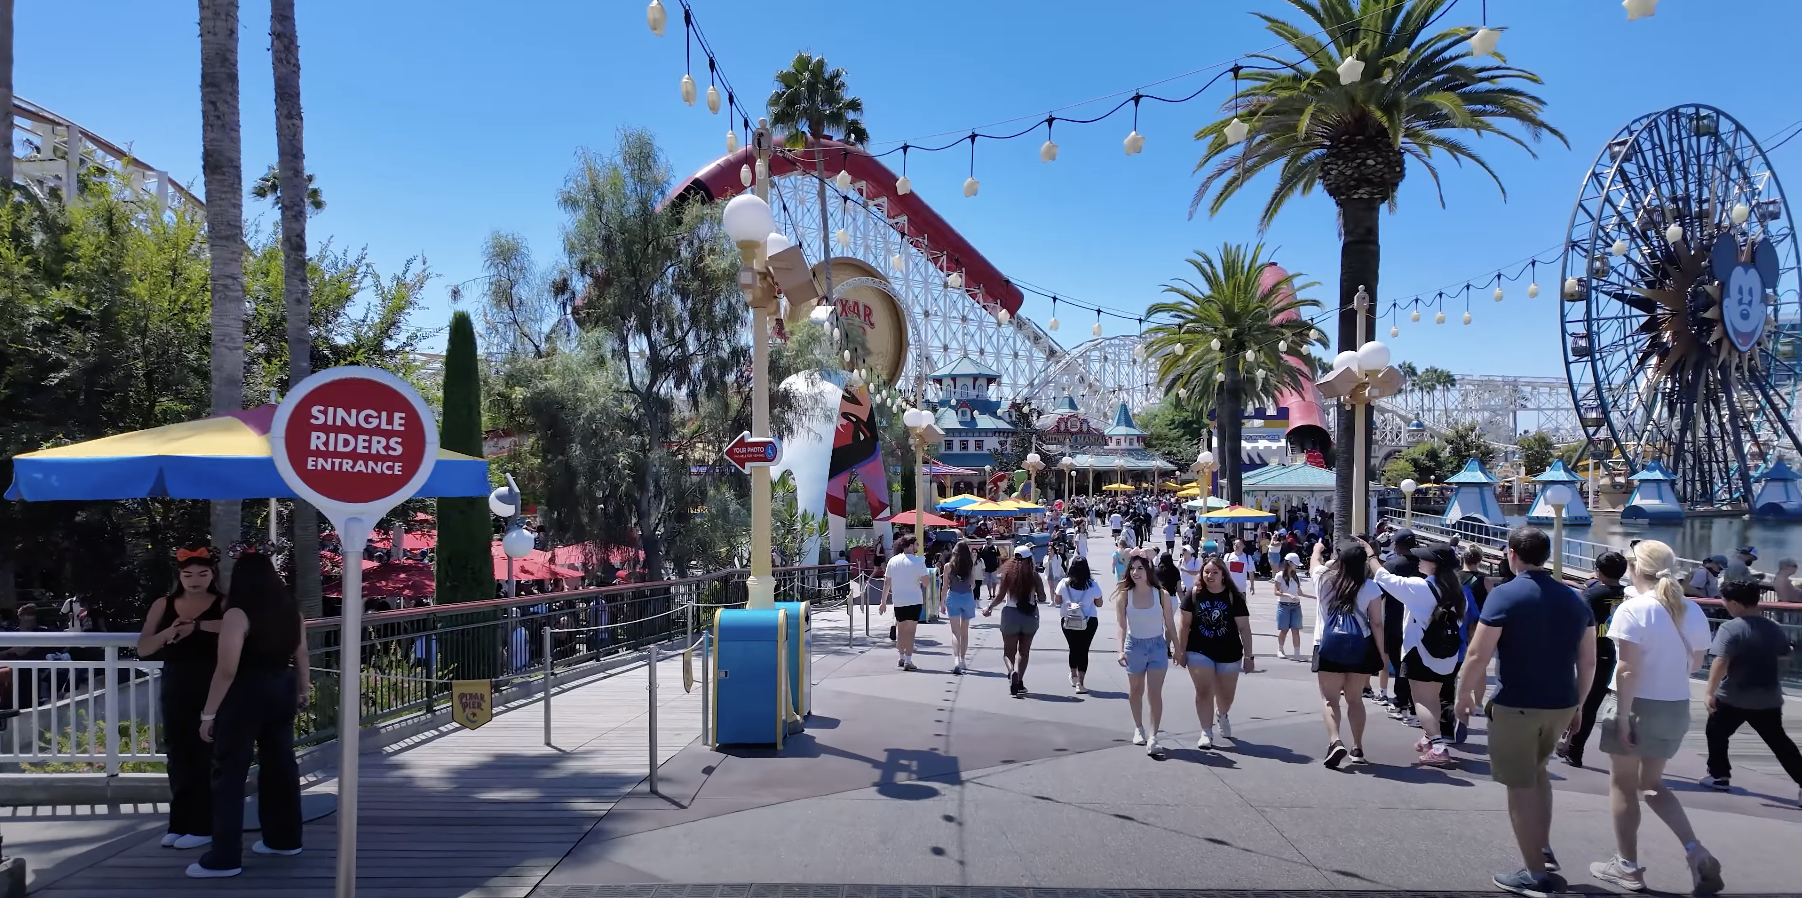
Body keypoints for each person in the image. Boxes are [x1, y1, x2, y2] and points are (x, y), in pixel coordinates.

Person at [1453, 526, 1596, 898]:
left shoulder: (1504, 595)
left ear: (1511, 554)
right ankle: (1542, 847)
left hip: (1518, 703)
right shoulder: (1576, 599)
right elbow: (1589, 661)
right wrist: (1579, 704)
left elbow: (1477, 654)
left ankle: (1534, 875)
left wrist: (1463, 695)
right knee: (1538, 773)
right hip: (1562, 703)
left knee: (1519, 786)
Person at [1583, 539, 1723, 894]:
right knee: (1652, 785)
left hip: (1637, 704)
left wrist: (1625, 717)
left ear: (1633, 567)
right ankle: (1695, 850)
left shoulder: (1633, 609)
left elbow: (1627, 671)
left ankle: (1627, 866)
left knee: (1624, 786)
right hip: (1675, 704)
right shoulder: (1691, 610)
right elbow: (1695, 664)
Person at [188, 551, 306, 878]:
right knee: (280, 765)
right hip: (284, 685)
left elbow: (226, 669)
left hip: (247, 692)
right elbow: (302, 651)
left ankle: (224, 857)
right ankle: (284, 839)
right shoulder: (289, 609)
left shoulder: (237, 614)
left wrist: (208, 714)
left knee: (229, 773)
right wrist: (304, 689)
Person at [138, 546, 228, 851]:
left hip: (213, 682)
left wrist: (198, 626)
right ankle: (179, 823)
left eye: (202, 573)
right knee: (178, 755)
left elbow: (240, 629)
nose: (195, 579)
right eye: (188, 574)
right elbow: (143, 648)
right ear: (179, 576)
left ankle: (205, 825)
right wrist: (169, 633)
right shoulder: (163, 604)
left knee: (207, 754)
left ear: (213, 575)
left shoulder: (224, 604)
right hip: (175, 683)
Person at [1367, 542, 1478, 766]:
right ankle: (1429, 737)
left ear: (1435, 564)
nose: (1419, 560)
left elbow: (1384, 577)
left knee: (1422, 701)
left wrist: (1371, 555)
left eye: (1425, 558)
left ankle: (1437, 746)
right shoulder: (1458, 592)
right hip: (1447, 654)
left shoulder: (1420, 587)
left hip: (1420, 652)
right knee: (1433, 698)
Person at [1700, 578, 1802, 803]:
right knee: (1780, 743)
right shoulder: (1774, 628)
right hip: (1768, 697)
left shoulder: (1730, 628)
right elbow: (1785, 655)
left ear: (1735, 604)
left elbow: (1720, 661)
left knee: (1716, 732)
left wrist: (1709, 692)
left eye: (1725, 601)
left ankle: (1719, 775)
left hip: (1734, 696)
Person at [1309, 539, 1386, 768]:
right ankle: (1357, 747)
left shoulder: (1323, 578)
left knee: (1330, 700)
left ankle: (1335, 741)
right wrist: (1382, 654)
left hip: (1327, 645)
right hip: (1358, 648)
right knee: (1355, 700)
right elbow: (1377, 624)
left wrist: (1318, 550)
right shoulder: (1370, 587)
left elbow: (1315, 562)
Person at [1561, 550, 1628, 769]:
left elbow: (1576, 622)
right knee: (1591, 706)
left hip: (1588, 653)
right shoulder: (1627, 595)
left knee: (1575, 700)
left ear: (1598, 571)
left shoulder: (1591, 595)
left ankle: (1568, 743)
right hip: (1615, 654)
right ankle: (1574, 748)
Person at [1178, 557, 1255, 749]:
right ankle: (1206, 731)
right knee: (1204, 691)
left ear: (1223, 575)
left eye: (1214, 572)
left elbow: (1244, 628)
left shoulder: (1233, 597)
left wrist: (1249, 656)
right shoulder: (1194, 594)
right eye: (1206, 572)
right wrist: (1180, 650)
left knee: (1226, 695)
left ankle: (1222, 714)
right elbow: (1184, 624)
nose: (1209, 576)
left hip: (1229, 651)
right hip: (1199, 649)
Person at [1114, 554, 1177, 757]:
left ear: (1148, 571)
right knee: (1135, 691)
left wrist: (1177, 647)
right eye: (1132, 569)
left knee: (1154, 693)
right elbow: (1121, 626)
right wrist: (1120, 650)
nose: (1135, 572)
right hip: (1135, 647)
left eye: (1140, 568)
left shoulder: (1161, 594)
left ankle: (1153, 736)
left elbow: (1170, 624)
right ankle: (1139, 728)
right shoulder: (1125, 595)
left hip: (1158, 646)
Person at [983, 545, 1047, 696]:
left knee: (1008, 652)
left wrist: (989, 608)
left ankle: (1012, 672)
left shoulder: (1007, 575)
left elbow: (999, 596)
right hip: (1029, 616)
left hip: (1010, 615)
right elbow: (1043, 597)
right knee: (1024, 652)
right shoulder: (1034, 575)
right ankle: (1019, 682)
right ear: (1029, 559)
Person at [1379, 528, 1421, 726]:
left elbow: (1378, 593)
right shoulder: (1424, 564)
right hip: (1420, 622)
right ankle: (1405, 702)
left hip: (1395, 620)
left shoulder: (1391, 565)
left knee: (1399, 663)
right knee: (1415, 663)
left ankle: (1402, 702)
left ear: (1396, 545)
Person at [880, 536, 930, 671]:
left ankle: (901, 657)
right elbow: (926, 582)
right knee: (911, 631)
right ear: (911, 545)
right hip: (914, 600)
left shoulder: (892, 561)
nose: (918, 547)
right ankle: (908, 660)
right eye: (917, 544)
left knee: (901, 630)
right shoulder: (918, 561)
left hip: (898, 600)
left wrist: (883, 602)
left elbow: (887, 583)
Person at [1057, 557, 1105, 694]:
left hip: (1068, 620)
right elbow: (1099, 603)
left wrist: (1069, 601)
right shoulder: (1092, 584)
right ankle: (1081, 683)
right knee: (1084, 650)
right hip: (1089, 620)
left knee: (1073, 647)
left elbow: (1057, 600)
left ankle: (1073, 675)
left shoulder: (1064, 583)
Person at [940, 542, 978, 674]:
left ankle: (956, 660)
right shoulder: (970, 565)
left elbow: (945, 586)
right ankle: (963, 660)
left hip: (953, 597)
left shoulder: (948, 566)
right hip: (967, 598)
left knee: (955, 632)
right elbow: (973, 584)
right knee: (964, 632)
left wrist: (942, 602)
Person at [1273, 553, 1307, 660]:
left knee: (1295, 629)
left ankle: (1297, 652)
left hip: (1296, 606)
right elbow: (1276, 592)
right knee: (1284, 629)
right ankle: (1280, 649)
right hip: (1284, 605)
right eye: (1295, 564)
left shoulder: (1295, 576)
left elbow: (1300, 593)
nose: (1296, 566)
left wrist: (1316, 597)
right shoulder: (1279, 575)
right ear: (1289, 563)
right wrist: (1288, 595)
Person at [1459, 543, 1491, 613]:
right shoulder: (1485, 581)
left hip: (1455, 619)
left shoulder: (1453, 577)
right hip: (1475, 621)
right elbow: (1492, 604)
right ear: (1479, 560)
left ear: (1463, 558)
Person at [978, 539, 1002, 605]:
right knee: (988, 582)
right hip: (985, 568)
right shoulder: (983, 548)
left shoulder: (995, 548)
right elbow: (979, 557)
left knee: (994, 581)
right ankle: (990, 594)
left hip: (994, 568)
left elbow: (999, 558)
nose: (989, 541)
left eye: (990, 540)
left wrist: (999, 566)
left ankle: (994, 594)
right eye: (987, 540)